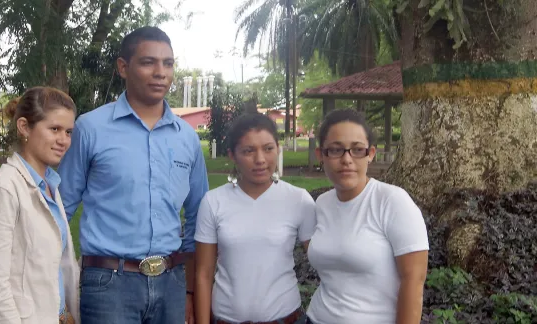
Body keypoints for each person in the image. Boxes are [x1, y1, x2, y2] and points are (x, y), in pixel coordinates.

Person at [57, 26, 209, 324]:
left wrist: (190, 291)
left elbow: (198, 218)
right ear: (123, 67)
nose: (161, 72)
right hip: (108, 285)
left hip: (172, 283)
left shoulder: (186, 138)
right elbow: (60, 210)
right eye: (148, 62)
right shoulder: (90, 129)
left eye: (168, 63)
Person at [0, 87, 79, 324]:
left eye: (68, 131)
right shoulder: (2, 190)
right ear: (24, 127)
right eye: (54, 129)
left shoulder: (49, 186)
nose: (63, 140)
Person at [305, 109, 429, 324]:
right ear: (321, 155)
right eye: (335, 150)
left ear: (371, 153)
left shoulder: (392, 201)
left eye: (357, 150)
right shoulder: (322, 203)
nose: (346, 159)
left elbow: (414, 280)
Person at [194, 113, 316, 324]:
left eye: (268, 148)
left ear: (278, 148)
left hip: (286, 318)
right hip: (225, 318)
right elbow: (203, 275)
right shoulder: (214, 201)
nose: (260, 159)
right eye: (248, 151)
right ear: (232, 155)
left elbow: (325, 263)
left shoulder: (298, 199)